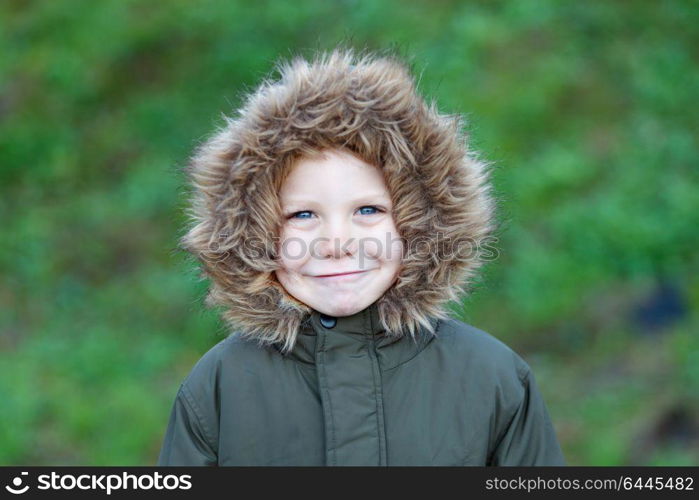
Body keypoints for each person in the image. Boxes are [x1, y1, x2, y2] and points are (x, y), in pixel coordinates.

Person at [156, 47, 566, 466]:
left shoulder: (493, 378)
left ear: (420, 227)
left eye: (368, 210)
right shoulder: (219, 387)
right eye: (302, 214)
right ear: (254, 236)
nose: (337, 242)